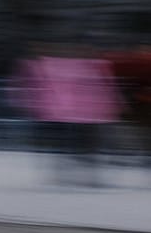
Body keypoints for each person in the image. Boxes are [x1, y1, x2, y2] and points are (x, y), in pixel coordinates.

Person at [14, 43, 120, 186]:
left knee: (85, 147)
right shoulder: (63, 66)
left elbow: (107, 87)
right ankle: (79, 175)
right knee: (78, 147)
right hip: (76, 114)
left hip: (86, 114)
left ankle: (85, 175)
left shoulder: (92, 66)